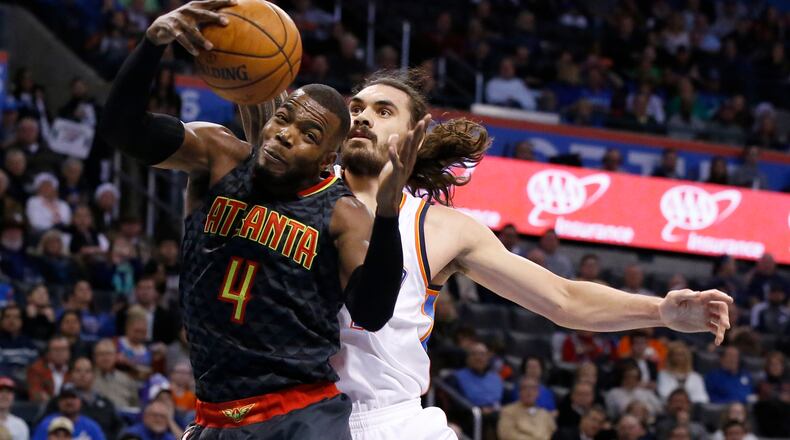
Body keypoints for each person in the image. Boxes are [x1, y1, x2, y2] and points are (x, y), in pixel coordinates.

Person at [241, 69, 733, 440]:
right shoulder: (297, 194)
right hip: (295, 416)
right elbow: (251, 129)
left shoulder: (442, 228)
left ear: (416, 133)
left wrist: (661, 310)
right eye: (356, 107)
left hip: (392, 422)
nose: (363, 116)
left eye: (384, 110)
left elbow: (562, 299)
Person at [98, 2, 414, 438]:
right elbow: (120, 129)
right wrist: (153, 43)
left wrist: (389, 208)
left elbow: (374, 312)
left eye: (310, 135)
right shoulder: (219, 155)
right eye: (284, 119)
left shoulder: (343, 213)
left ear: (327, 161)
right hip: (213, 417)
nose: (287, 133)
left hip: (299, 417)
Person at [32, 384, 105, 440]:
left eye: (73, 397)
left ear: (81, 401)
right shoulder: (47, 425)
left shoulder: (91, 427)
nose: (69, 401)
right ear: (58, 402)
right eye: (65, 397)